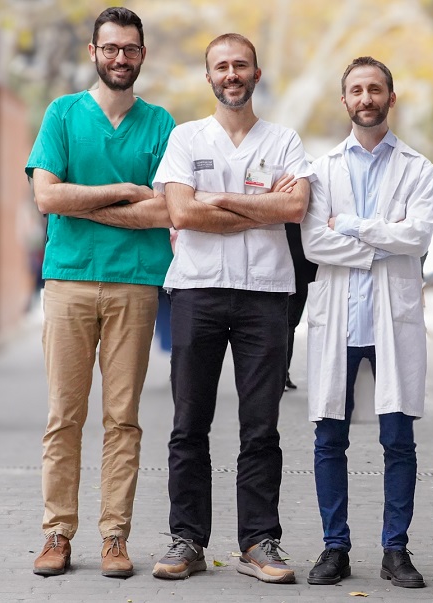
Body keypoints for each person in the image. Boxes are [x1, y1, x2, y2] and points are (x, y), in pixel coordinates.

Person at [150, 33, 313, 585]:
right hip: (197, 290)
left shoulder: (284, 139)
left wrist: (216, 199)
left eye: (240, 65)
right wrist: (260, 207)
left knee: (261, 426)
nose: (231, 74)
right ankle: (187, 539)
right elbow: (180, 212)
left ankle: (259, 541)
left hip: (266, 293)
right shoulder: (185, 137)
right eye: (221, 66)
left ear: (256, 74)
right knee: (188, 423)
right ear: (209, 77)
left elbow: (295, 206)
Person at [26, 6, 175, 579]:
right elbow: (47, 196)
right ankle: (57, 533)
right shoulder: (63, 114)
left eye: (130, 49)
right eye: (110, 48)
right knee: (63, 414)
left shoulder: (160, 123)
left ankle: (115, 535)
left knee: (123, 418)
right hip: (68, 280)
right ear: (93, 52)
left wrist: (82, 200)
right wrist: (124, 191)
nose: (120, 57)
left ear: (142, 54)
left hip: (135, 284)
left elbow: (164, 209)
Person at [300, 56, 433, 588]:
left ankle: (395, 550)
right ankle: (335, 547)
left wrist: (354, 226)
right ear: (345, 100)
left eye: (375, 89)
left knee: (398, 440)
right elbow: (315, 243)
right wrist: (382, 239)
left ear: (390, 98)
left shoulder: (418, 168)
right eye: (356, 90)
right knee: (329, 439)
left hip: (390, 321)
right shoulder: (321, 169)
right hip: (339, 318)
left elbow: (418, 237)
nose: (366, 98)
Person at [284, 222, 317, 390]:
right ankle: (282, 373)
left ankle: (282, 373)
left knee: (289, 322)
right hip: (307, 256)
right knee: (289, 322)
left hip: (300, 255)